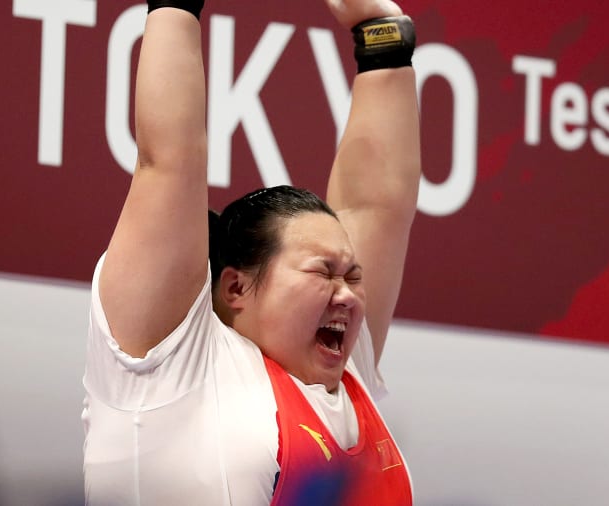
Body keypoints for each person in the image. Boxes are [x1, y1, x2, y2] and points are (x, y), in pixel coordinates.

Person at [81, 0, 420, 504]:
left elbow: (378, 206)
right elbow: (167, 162)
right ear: (236, 286)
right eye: (323, 273)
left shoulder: (345, 376)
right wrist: (175, 8)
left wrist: (382, 37)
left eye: (352, 277)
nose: (347, 296)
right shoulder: (168, 364)